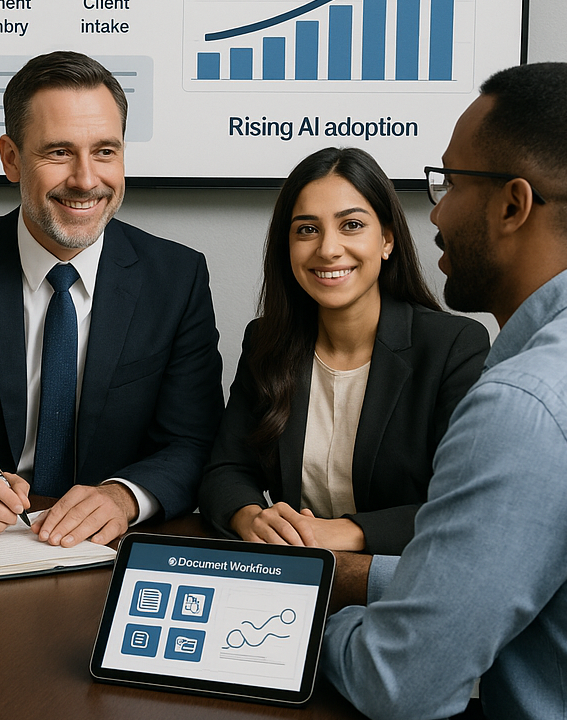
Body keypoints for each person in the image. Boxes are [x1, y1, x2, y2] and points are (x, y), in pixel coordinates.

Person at [0, 51, 223, 547]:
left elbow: (195, 442)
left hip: (112, 550)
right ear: (11, 158)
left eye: (105, 151)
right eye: (59, 153)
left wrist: (124, 497)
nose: (87, 179)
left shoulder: (177, 278)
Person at [323, 62, 567, 720]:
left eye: (449, 181)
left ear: (513, 204)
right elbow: (520, 575)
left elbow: (400, 684)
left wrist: (300, 617)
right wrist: (340, 575)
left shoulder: (525, 407)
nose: (437, 211)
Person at [200, 148, 489, 556]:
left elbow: (466, 502)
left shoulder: (454, 346)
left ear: (386, 240)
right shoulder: (267, 341)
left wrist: (348, 534)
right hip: (293, 578)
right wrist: (251, 517)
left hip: (399, 584)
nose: (328, 249)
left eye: (351, 225)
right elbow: (225, 470)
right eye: (306, 230)